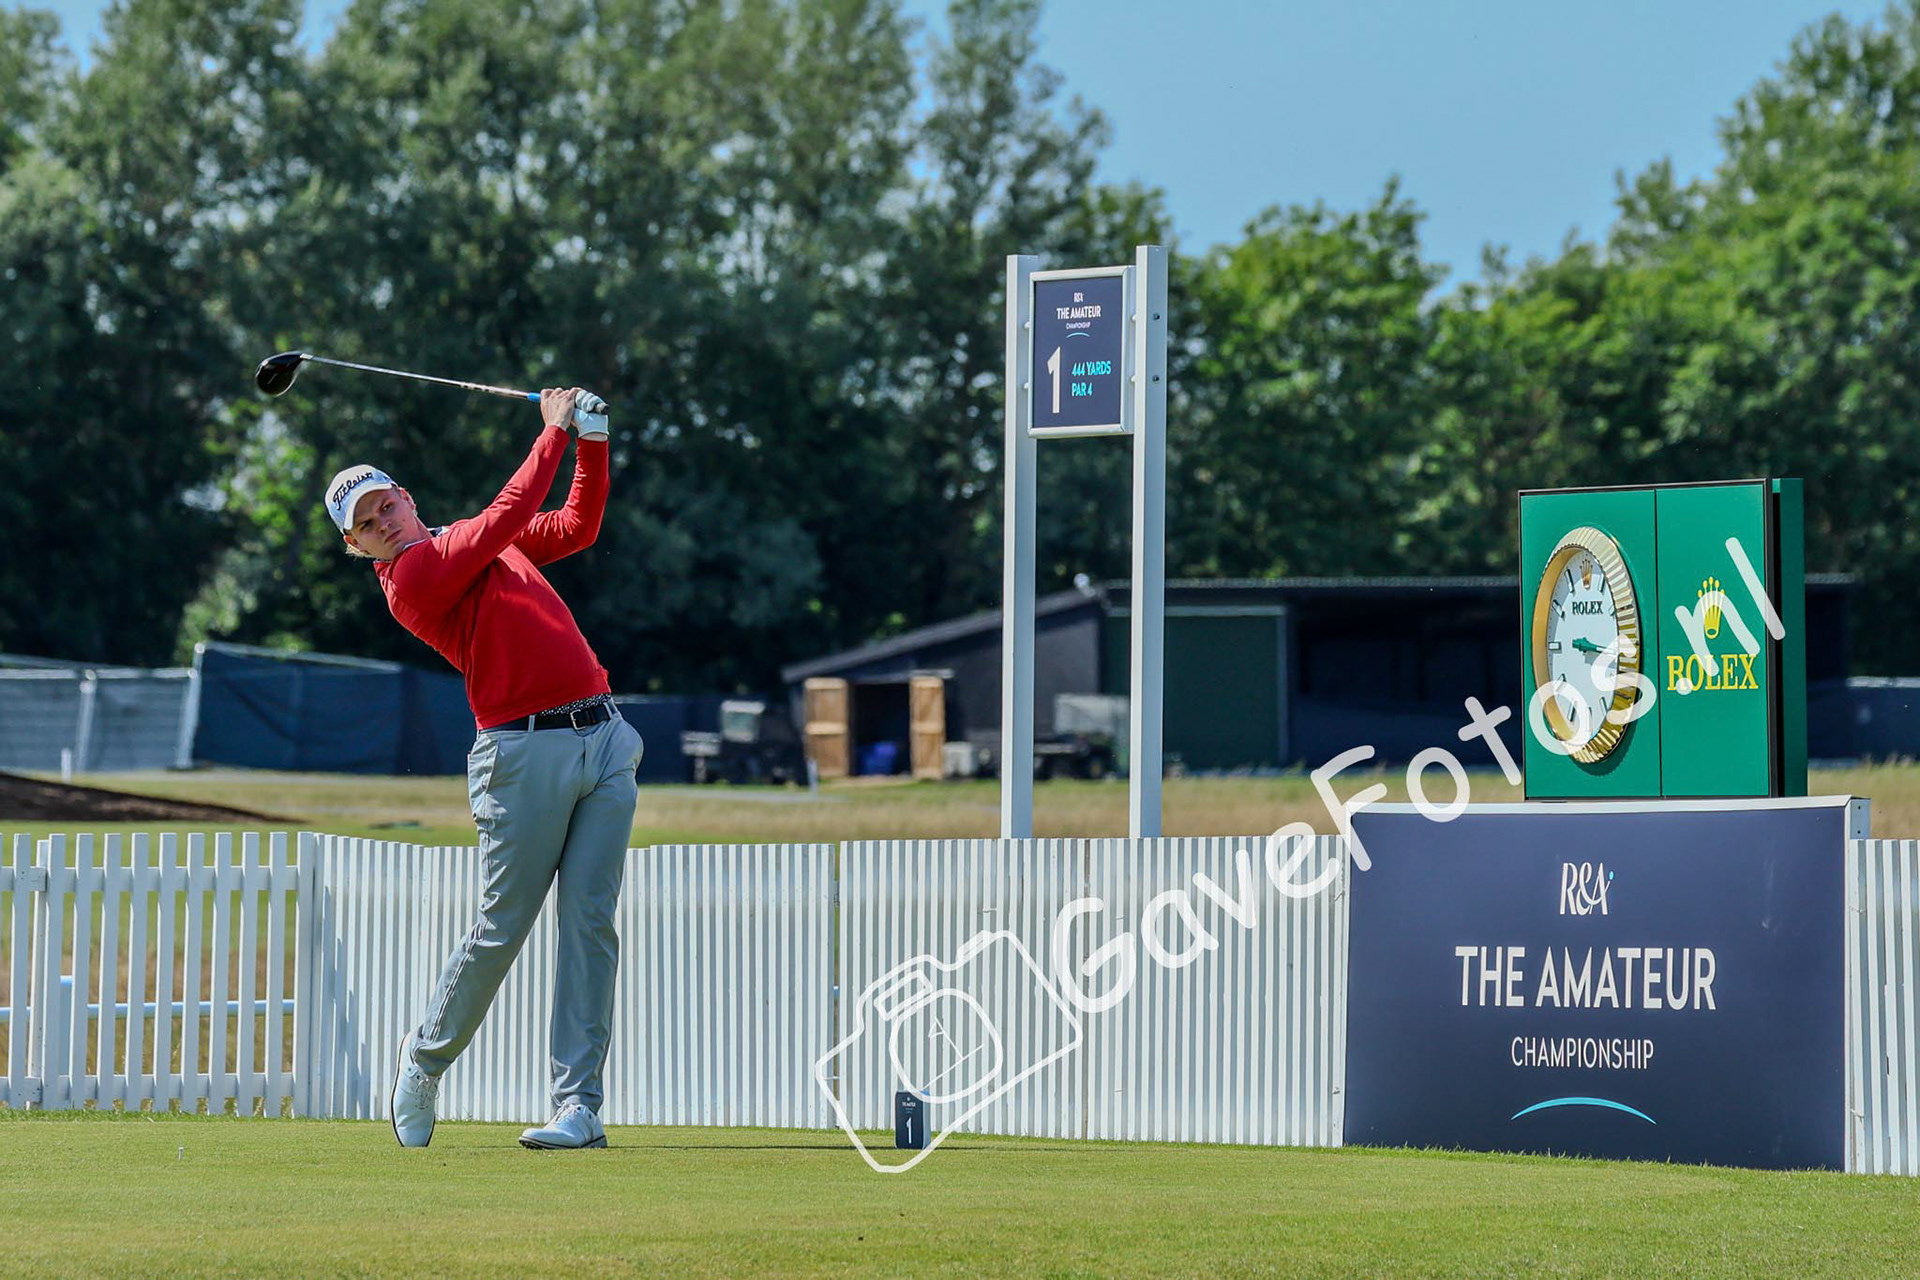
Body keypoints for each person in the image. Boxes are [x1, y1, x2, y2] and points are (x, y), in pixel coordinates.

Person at [322, 387, 641, 1152]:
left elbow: (574, 525)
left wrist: (591, 441)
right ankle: (425, 1061)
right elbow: (504, 513)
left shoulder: (473, 541)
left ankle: (579, 1107)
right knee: (503, 928)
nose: (380, 523)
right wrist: (555, 432)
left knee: (590, 926)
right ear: (358, 549)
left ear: (405, 496)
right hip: (520, 754)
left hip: (602, 735)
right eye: (364, 525)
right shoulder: (412, 579)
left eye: (383, 505)